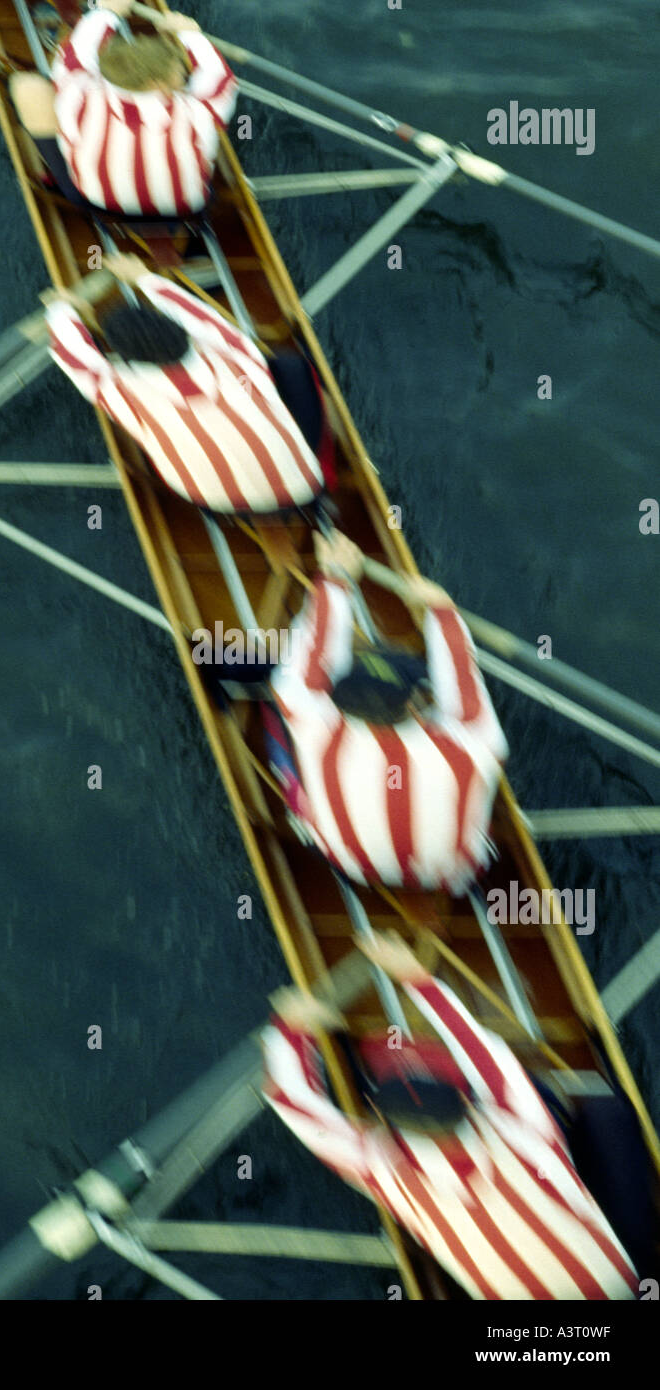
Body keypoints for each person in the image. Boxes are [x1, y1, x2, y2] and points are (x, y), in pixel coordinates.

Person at [263, 930, 639, 1301]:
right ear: (464, 1099)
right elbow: (486, 1053)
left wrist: (293, 1029)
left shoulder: (385, 1170)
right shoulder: (519, 1129)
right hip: (626, 1288)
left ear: (380, 1116)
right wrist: (416, 977)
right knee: (603, 1111)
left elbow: (290, 1101)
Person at [268, 529, 509, 893]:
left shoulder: (316, 734)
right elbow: (462, 670)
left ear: (340, 707)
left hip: (351, 866)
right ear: (414, 704)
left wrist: (335, 577)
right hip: (453, 878)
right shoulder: (478, 746)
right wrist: (440, 607)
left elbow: (306, 667)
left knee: (273, 713)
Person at [44, 253, 327, 514]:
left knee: (142, 433)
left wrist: (61, 310)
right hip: (306, 485)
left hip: (214, 503)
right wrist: (143, 277)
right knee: (289, 365)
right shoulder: (229, 354)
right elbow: (203, 317)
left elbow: (74, 358)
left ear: (126, 357)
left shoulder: (122, 388)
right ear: (177, 332)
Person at [39, 0, 237, 217]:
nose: (182, 79)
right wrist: (190, 33)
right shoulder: (199, 112)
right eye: (179, 75)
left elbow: (73, 57)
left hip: (96, 201)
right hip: (185, 209)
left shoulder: (80, 96)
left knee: (29, 89)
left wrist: (108, 11)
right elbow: (221, 77)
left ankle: (51, 175)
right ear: (156, 83)